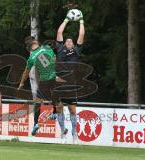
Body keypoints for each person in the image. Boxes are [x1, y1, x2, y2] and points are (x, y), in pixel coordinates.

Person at [18, 39, 62, 136]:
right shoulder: (47, 47)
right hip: (53, 77)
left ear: (30, 49)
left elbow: (26, 72)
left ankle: (36, 124)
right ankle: (54, 112)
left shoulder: (31, 58)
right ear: (35, 44)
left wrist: (21, 83)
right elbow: (54, 59)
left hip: (43, 81)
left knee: (38, 102)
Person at [54, 10, 85, 142]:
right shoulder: (60, 49)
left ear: (73, 44)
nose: (68, 41)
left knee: (72, 110)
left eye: (70, 41)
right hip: (59, 82)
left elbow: (81, 34)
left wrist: (81, 20)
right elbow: (59, 32)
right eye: (67, 40)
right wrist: (67, 19)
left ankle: (74, 134)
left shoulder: (76, 51)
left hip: (71, 84)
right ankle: (63, 132)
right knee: (59, 108)